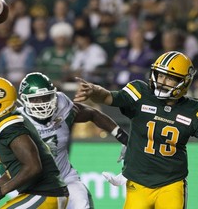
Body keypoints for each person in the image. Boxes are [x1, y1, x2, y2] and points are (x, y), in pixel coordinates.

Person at [74, 51, 198, 209]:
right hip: (137, 182)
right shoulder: (140, 93)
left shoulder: (195, 110)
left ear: (183, 82)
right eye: (160, 75)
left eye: (169, 78)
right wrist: (94, 91)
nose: (161, 81)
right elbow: (107, 96)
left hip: (171, 184)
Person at [18, 72, 128, 209]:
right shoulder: (17, 122)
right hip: (34, 188)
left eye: (46, 97)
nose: (42, 104)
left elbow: (92, 113)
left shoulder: (62, 106)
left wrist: (123, 138)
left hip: (65, 180)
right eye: (36, 99)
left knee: (82, 203)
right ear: (24, 100)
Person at [0, 76, 69, 208]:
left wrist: (1, 191)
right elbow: (16, 170)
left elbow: (33, 167)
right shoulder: (6, 121)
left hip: (45, 193)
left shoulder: (9, 125)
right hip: (46, 193)